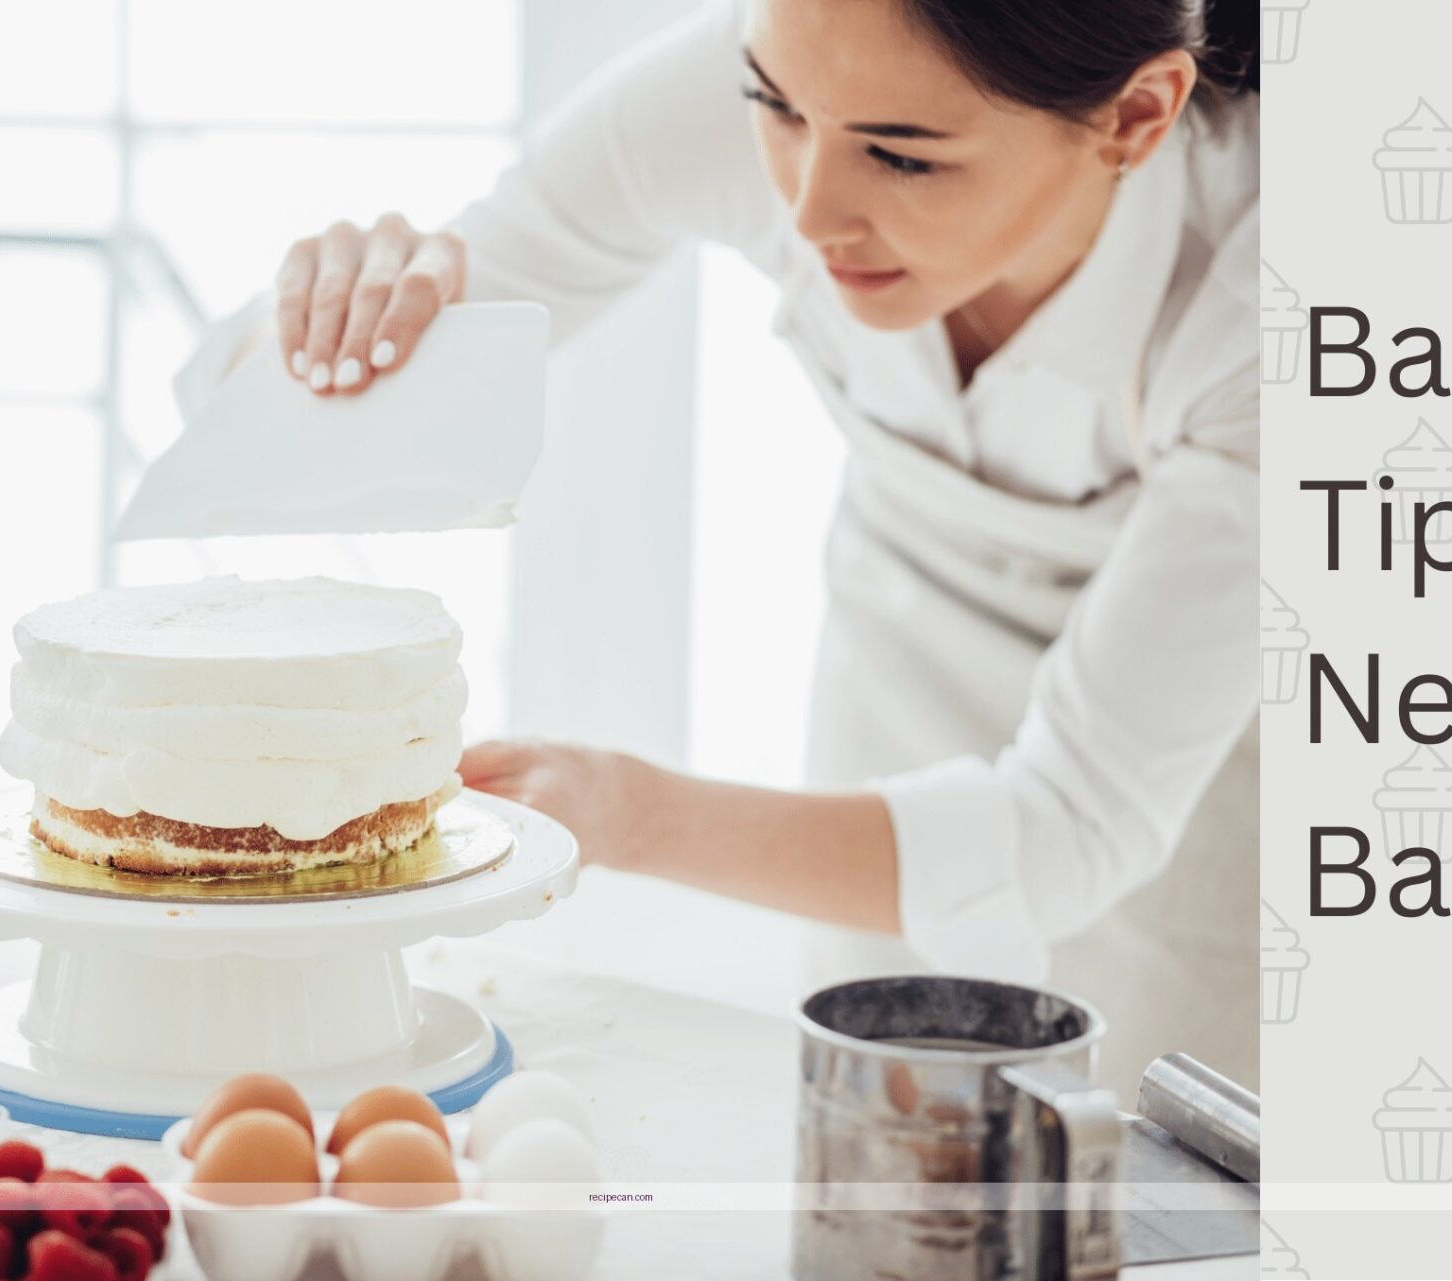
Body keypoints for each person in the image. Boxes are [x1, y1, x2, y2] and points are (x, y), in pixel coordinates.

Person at [251, 0, 1260, 1086]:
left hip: (1194, 733)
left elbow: (1067, 828)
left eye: (901, 157)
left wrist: (627, 812)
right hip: (898, 648)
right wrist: (339, 311)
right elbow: (425, 338)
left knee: (1154, 1123)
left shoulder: (1276, 303)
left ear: (1136, 115)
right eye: (774, 110)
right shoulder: (812, 58)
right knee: (882, 1089)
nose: (811, 211)